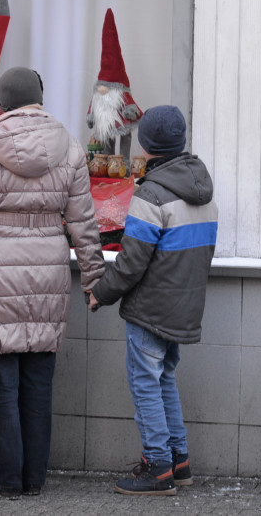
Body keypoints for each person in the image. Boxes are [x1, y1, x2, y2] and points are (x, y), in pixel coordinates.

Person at [0, 66, 105, 499]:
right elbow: (84, 225)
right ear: (40, 97)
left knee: (3, 384)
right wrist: (93, 280)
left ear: (0, 102)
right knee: (38, 383)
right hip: (49, 274)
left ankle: (4, 479)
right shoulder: (71, 148)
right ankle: (34, 477)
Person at [87, 105, 218, 496]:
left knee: (146, 384)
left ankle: (157, 467)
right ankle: (178, 462)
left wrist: (100, 294)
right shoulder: (203, 191)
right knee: (164, 382)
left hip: (150, 310)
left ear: (147, 145)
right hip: (183, 307)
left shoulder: (153, 193)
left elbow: (130, 264)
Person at [86, 8, 143, 159]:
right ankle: (107, 160)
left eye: (107, 85)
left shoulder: (121, 93)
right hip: (107, 122)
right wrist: (91, 116)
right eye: (102, 85)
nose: (103, 89)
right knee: (106, 138)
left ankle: (124, 162)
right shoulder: (99, 95)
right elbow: (93, 106)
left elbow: (129, 102)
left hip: (122, 119)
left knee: (126, 137)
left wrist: (131, 109)